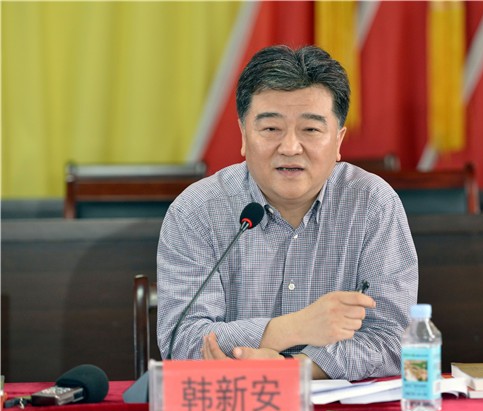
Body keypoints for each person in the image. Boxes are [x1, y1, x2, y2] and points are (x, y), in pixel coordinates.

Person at [156, 45, 418, 381]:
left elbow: (394, 340)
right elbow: (182, 343)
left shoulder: (372, 206)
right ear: (244, 135)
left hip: (339, 408)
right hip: (233, 404)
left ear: (338, 141)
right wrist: (293, 328)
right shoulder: (196, 212)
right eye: (271, 129)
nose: (291, 147)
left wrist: (291, 368)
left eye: (311, 130)